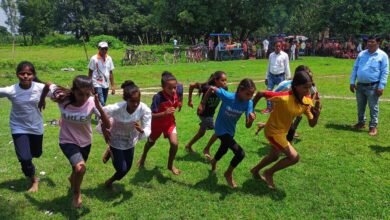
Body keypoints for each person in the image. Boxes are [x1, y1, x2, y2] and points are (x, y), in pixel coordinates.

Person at [39, 75, 109, 208]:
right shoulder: (62, 98)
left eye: (87, 94)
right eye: (80, 94)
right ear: (73, 91)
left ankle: (72, 179)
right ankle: (77, 194)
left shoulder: (92, 102)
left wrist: (99, 107)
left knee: (76, 169)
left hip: (85, 142)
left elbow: (107, 124)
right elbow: (48, 84)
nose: (83, 98)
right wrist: (42, 99)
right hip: (67, 140)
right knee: (80, 168)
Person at [251, 71, 321, 189]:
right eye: (305, 87)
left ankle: (255, 170)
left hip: (283, 133)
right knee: (294, 157)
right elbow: (260, 93)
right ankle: (269, 173)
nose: (308, 90)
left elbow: (312, 124)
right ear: (296, 86)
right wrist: (250, 110)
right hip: (272, 131)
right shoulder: (283, 97)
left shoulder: (307, 101)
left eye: (310, 87)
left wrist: (317, 115)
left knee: (274, 156)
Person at [0, 61, 55, 193]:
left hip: (36, 127)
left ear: (33, 75)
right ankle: (34, 179)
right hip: (18, 127)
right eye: (22, 73)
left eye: (29, 74)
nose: (25, 76)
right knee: (25, 158)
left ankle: (29, 164)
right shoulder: (11, 90)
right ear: (17, 75)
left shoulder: (39, 87)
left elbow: (56, 90)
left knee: (36, 153)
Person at [201, 79, 256, 188]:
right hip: (220, 129)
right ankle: (228, 173)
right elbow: (211, 88)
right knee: (240, 153)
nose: (250, 96)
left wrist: (251, 120)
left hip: (230, 130)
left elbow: (247, 125)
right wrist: (202, 103)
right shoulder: (227, 96)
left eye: (252, 94)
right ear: (240, 90)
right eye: (248, 94)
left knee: (224, 149)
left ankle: (213, 162)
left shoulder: (248, 103)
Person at [98, 80, 151, 188]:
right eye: (132, 101)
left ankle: (109, 181)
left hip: (130, 139)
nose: (136, 104)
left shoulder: (144, 109)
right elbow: (102, 113)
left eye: (138, 101)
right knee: (121, 168)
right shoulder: (117, 108)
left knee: (127, 168)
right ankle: (111, 150)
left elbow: (148, 126)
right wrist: (104, 128)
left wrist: (142, 130)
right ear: (126, 99)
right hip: (116, 138)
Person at [256, 65, 320, 141]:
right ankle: (285, 144)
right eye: (307, 76)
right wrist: (274, 108)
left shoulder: (309, 85)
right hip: (283, 108)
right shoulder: (286, 86)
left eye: (310, 77)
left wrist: (311, 106)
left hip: (298, 106)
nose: (309, 79)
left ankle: (280, 139)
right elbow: (273, 96)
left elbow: (314, 95)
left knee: (289, 127)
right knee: (289, 129)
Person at [138, 71, 183, 175]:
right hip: (156, 125)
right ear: (163, 87)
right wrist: (164, 113)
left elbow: (180, 90)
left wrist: (180, 102)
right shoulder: (158, 97)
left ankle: (170, 165)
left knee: (174, 143)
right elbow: (150, 115)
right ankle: (143, 156)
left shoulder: (177, 91)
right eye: (170, 88)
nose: (173, 90)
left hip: (170, 123)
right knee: (150, 143)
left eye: (174, 87)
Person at [350, 35, 389, 136]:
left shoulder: (382, 55)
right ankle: (361, 123)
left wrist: (381, 86)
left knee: (373, 107)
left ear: (378, 43)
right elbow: (355, 68)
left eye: (372, 42)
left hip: (373, 86)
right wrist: (352, 82)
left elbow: (385, 72)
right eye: (368, 42)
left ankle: (373, 127)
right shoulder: (362, 54)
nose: (369, 44)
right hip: (360, 86)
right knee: (360, 106)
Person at [186, 71, 228, 159]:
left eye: (226, 80)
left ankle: (188, 146)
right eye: (222, 80)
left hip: (211, 114)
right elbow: (192, 85)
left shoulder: (224, 89)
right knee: (219, 130)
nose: (225, 83)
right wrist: (190, 100)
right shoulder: (206, 87)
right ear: (216, 80)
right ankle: (206, 149)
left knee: (201, 133)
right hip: (203, 113)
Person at [262, 41, 291, 114]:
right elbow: (268, 66)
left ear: (281, 47)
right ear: (274, 47)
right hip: (271, 76)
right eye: (276, 46)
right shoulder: (271, 55)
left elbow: (287, 66)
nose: (278, 48)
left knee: (281, 93)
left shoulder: (285, 55)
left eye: (279, 46)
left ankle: (280, 108)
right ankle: (269, 108)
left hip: (281, 77)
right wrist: (266, 77)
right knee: (268, 92)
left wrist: (289, 77)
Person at [88, 41, 115, 107]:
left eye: (106, 49)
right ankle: (101, 116)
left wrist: (113, 86)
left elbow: (111, 73)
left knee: (103, 102)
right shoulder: (94, 59)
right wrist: (90, 85)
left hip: (106, 84)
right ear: (98, 49)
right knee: (101, 102)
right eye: (102, 49)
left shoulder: (109, 58)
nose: (104, 50)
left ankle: (98, 117)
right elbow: (90, 73)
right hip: (96, 83)